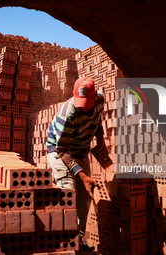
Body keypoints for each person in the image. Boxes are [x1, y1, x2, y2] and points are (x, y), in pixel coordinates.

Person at [46, 77, 105, 251]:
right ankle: (65, 243)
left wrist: (100, 138)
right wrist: (82, 175)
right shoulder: (69, 113)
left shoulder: (99, 100)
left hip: (81, 151)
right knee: (69, 195)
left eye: (88, 102)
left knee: (85, 197)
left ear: (95, 96)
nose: (85, 107)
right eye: (81, 103)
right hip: (60, 153)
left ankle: (77, 238)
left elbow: (97, 118)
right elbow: (62, 150)